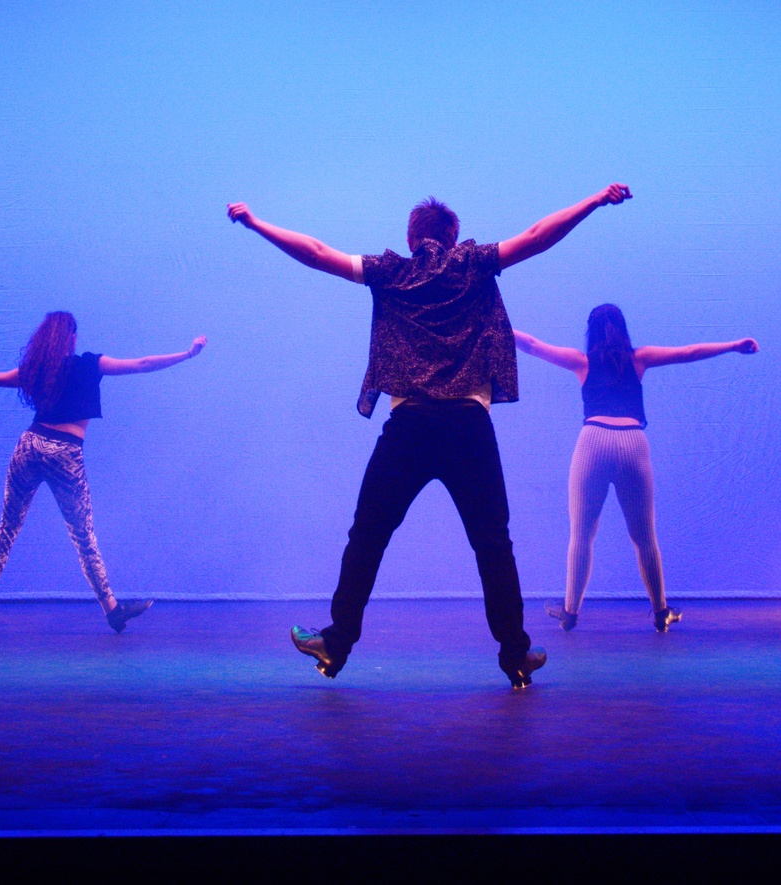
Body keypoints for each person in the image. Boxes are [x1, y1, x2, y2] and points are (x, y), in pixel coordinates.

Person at [228, 185, 632, 689]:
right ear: (454, 238)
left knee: (368, 534)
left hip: (410, 427)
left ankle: (336, 641)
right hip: (468, 427)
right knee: (492, 543)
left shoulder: (391, 272)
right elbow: (536, 236)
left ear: (410, 238)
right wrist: (593, 201)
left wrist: (257, 224)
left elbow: (315, 252)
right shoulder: (474, 265)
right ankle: (515, 656)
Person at [0, 314, 205, 632]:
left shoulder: (36, 371)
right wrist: (187, 354)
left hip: (29, 446)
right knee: (83, 535)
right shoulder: (88, 364)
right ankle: (112, 609)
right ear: (71, 338)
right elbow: (142, 364)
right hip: (65, 453)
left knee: (9, 525)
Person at [514, 306, 756, 633]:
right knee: (644, 537)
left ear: (590, 332)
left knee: (582, 534)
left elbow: (531, 344)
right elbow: (689, 352)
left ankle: (570, 613)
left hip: (593, 441)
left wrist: (493, 324)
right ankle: (661, 612)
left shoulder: (581, 362)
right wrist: (733, 346)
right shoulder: (639, 358)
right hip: (633, 441)